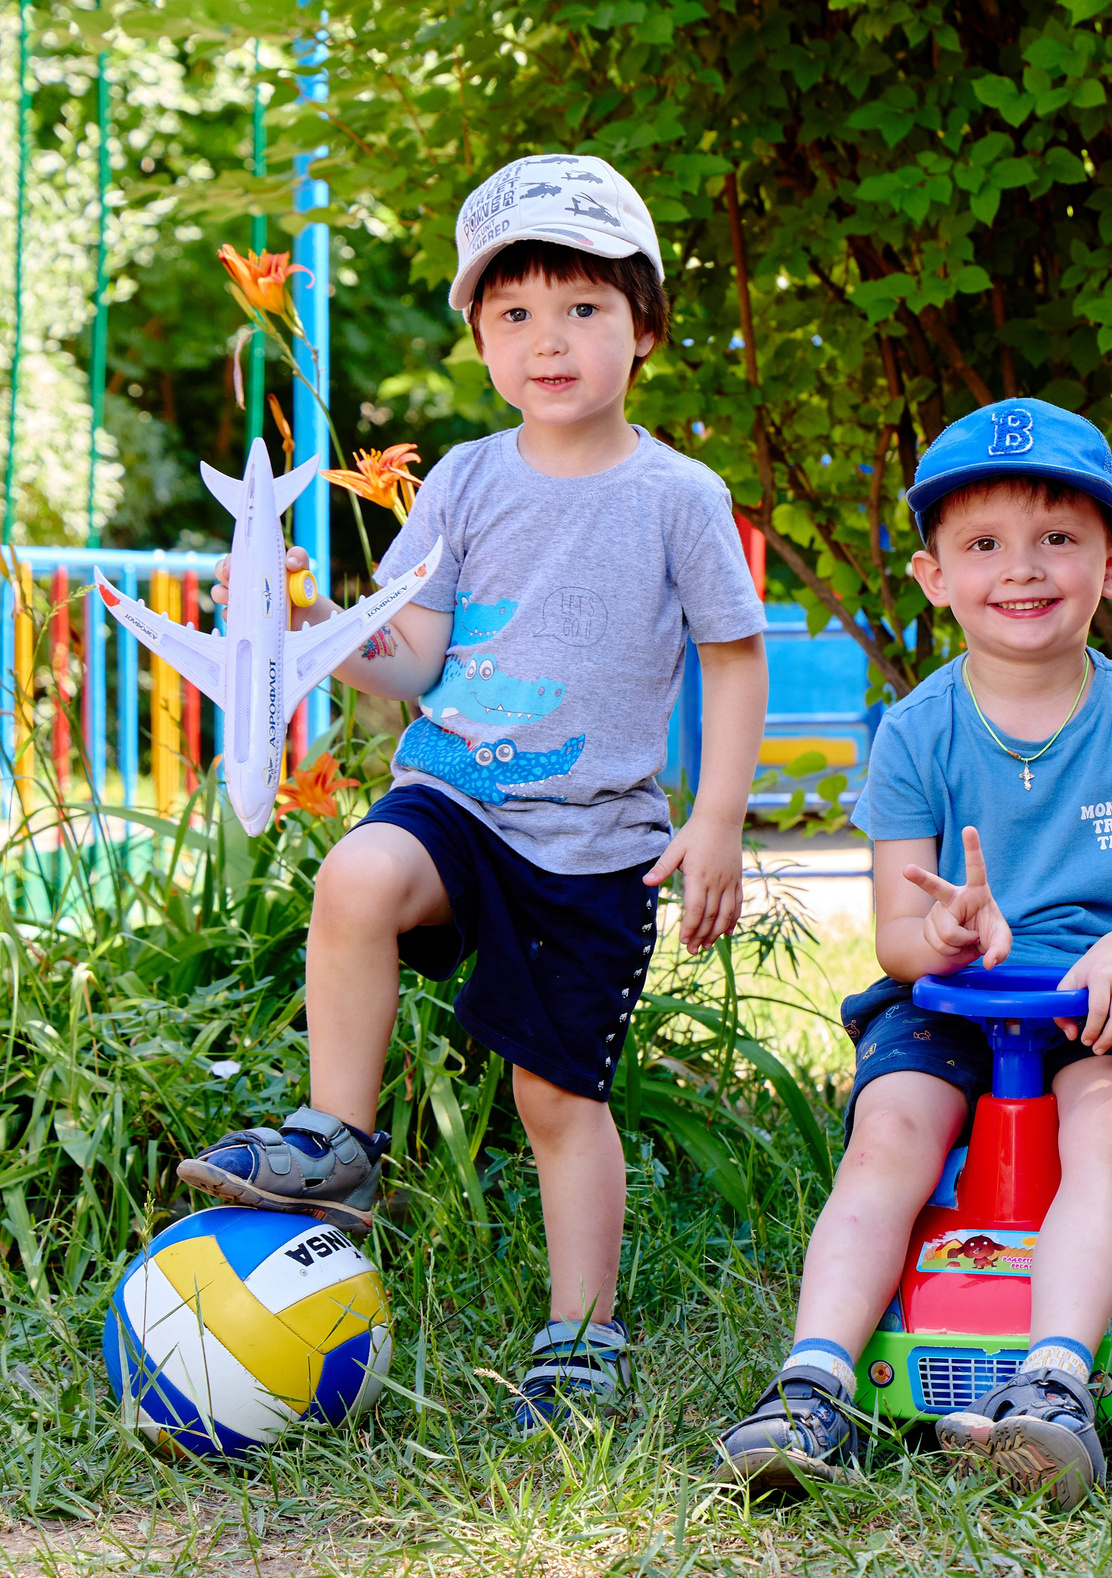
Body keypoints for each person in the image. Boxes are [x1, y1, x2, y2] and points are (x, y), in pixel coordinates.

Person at [177, 154, 771, 1429]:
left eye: (583, 308)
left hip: (594, 843)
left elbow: (733, 657)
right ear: (481, 340)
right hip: (457, 797)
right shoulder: (462, 480)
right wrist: (318, 623)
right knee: (358, 873)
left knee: (556, 1095)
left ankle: (581, 1334)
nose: (548, 339)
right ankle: (339, 1140)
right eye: (515, 313)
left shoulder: (679, 496)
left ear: (644, 327)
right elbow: (411, 656)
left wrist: (717, 816)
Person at [713, 399, 1112, 1508]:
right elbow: (897, 935)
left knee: (1110, 1124)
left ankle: (1056, 1382)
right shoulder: (915, 730)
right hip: (949, 1001)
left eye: (1057, 539)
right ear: (934, 577)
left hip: (1100, 997)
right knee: (889, 1132)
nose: (1021, 568)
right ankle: (812, 1383)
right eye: (983, 544)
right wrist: (942, 934)